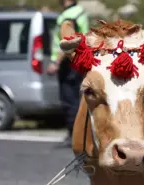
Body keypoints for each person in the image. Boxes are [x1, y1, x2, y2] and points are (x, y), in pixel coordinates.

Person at [47, 0, 89, 148]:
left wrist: (56, 63)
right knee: (75, 98)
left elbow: (68, 40)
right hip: (77, 61)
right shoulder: (79, 12)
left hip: (68, 62)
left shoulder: (70, 15)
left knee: (69, 100)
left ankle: (75, 135)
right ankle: (80, 134)